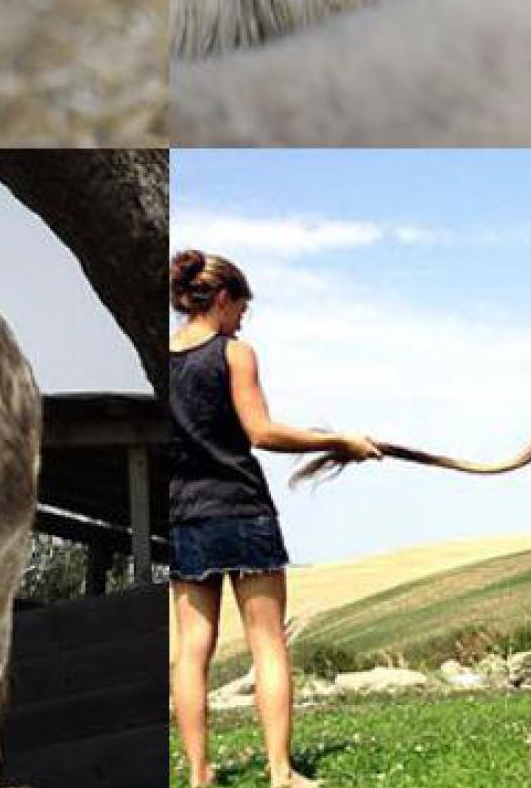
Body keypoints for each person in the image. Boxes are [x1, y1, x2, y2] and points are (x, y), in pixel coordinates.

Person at [168, 248, 382, 788]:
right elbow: (261, 432)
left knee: (191, 650)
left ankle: (197, 774)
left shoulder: (163, 358)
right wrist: (338, 439)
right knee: (268, 643)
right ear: (221, 298)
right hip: (240, 509)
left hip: (183, 514)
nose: (243, 318)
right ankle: (281, 773)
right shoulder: (234, 354)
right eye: (241, 306)